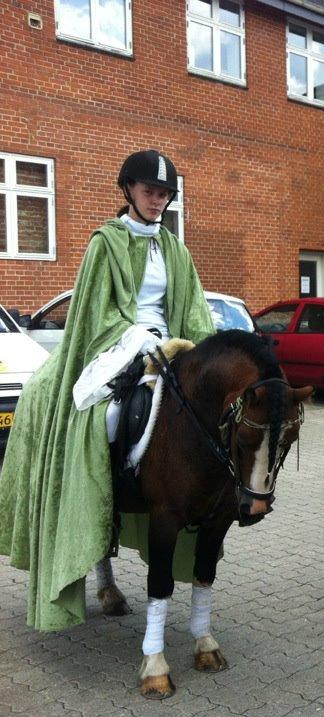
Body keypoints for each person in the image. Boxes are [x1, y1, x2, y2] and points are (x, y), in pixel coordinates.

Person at [0, 149, 215, 631]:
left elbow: (197, 312)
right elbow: (96, 313)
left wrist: (207, 352)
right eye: (149, 191)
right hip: (118, 345)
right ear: (129, 191)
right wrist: (144, 341)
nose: (157, 201)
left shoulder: (176, 250)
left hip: (172, 346)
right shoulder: (105, 243)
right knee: (105, 417)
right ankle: (101, 496)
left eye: (164, 194)